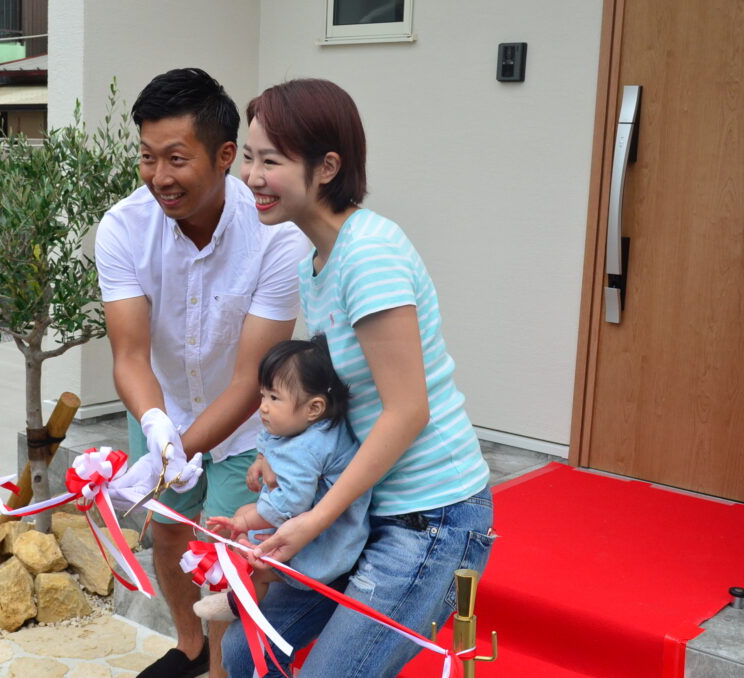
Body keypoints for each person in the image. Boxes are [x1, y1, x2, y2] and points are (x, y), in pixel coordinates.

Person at [221, 78, 495, 678]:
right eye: (248, 156)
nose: (251, 176)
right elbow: (325, 403)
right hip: (358, 509)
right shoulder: (312, 262)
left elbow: (407, 411)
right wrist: (280, 463)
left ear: (327, 167)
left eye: (271, 160)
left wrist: (314, 519)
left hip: (430, 517)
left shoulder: (368, 255)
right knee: (247, 652)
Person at [96, 67, 309, 678]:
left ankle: (226, 669)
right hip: (162, 407)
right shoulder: (123, 228)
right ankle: (190, 649)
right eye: (147, 157)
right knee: (167, 534)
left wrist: (180, 447)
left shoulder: (276, 236)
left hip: (248, 420)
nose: (159, 177)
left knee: (231, 548)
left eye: (176, 159)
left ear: (223, 157)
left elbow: (250, 380)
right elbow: (130, 356)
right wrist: (160, 429)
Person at [195, 335, 368, 622]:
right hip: (317, 517)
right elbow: (269, 438)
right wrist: (261, 460)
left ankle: (240, 602)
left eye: (274, 397)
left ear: (314, 408)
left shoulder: (307, 448)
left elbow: (289, 504)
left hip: (326, 538)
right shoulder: (306, 424)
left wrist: (245, 521)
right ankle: (241, 582)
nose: (263, 406)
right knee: (244, 526)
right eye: (263, 395)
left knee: (254, 549)